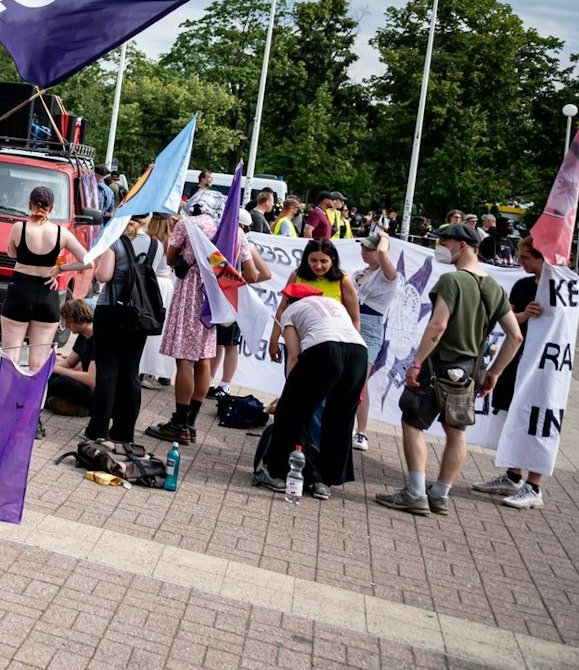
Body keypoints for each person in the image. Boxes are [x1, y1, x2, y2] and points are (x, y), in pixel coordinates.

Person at [377, 223, 522, 517]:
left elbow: (438, 325)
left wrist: (417, 362)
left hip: (438, 367)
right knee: (456, 431)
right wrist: (494, 372)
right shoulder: (493, 287)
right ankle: (441, 493)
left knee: (413, 423)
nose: (441, 246)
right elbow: (515, 336)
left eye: (446, 241)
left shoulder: (451, 282)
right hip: (469, 371)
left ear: (463, 246)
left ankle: (415, 492)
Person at [147, 195, 269, 445]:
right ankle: (191, 423)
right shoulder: (235, 231)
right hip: (214, 300)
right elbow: (253, 273)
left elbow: (170, 259)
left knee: (185, 360)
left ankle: (178, 424)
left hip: (189, 295)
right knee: (204, 359)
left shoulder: (188, 223)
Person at [254, 273, 371, 499]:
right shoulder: (331, 303)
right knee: (340, 420)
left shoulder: (290, 311)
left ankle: (275, 474)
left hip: (325, 352)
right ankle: (324, 481)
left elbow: (295, 356)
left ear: (288, 300)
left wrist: (288, 393)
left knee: (291, 413)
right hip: (358, 353)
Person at [471, 238, 551, 509]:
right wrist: (524, 316)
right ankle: (513, 475)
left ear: (542, 257)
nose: (521, 262)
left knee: (536, 418)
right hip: (516, 359)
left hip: (543, 366)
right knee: (511, 413)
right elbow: (507, 318)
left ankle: (534, 484)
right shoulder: (523, 285)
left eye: (527, 257)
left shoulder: (558, 288)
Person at [1, 186, 100, 375]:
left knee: (10, 358)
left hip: (19, 291)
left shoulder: (19, 228)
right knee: (38, 364)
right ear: (52, 208)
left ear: (29, 204)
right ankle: (34, 405)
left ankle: (1, 403)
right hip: (47, 293)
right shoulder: (61, 233)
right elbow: (88, 262)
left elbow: (12, 253)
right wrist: (60, 269)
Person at [87, 221, 155, 445]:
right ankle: (124, 432)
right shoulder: (156, 244)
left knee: (107, 372)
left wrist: (98, 264)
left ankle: (98, 430)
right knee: (131, 372)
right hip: (140, 315)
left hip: (112, 311)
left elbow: (103, 276)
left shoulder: (114, 241)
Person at [351, 228, 399, 450]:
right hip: (351, 322)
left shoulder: (388, 274)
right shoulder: (358, 273)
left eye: (369, 248)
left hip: (371, 327)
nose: (365, 252)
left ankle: (361, 432)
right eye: (363, 247)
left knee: (360, 380)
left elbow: (382, 256)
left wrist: (385, 238)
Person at [45, 296, 97, 416]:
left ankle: (84, 409)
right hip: (86, 386)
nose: (67, 326)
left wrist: (58, 369)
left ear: (81, 320)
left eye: (69, 322)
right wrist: (48, 366)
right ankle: (58, 402)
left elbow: (91, 380)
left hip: (96, 392)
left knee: (61, 382)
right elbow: (69, 362)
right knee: (50, 377)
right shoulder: (83, 335)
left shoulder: (97, 340)